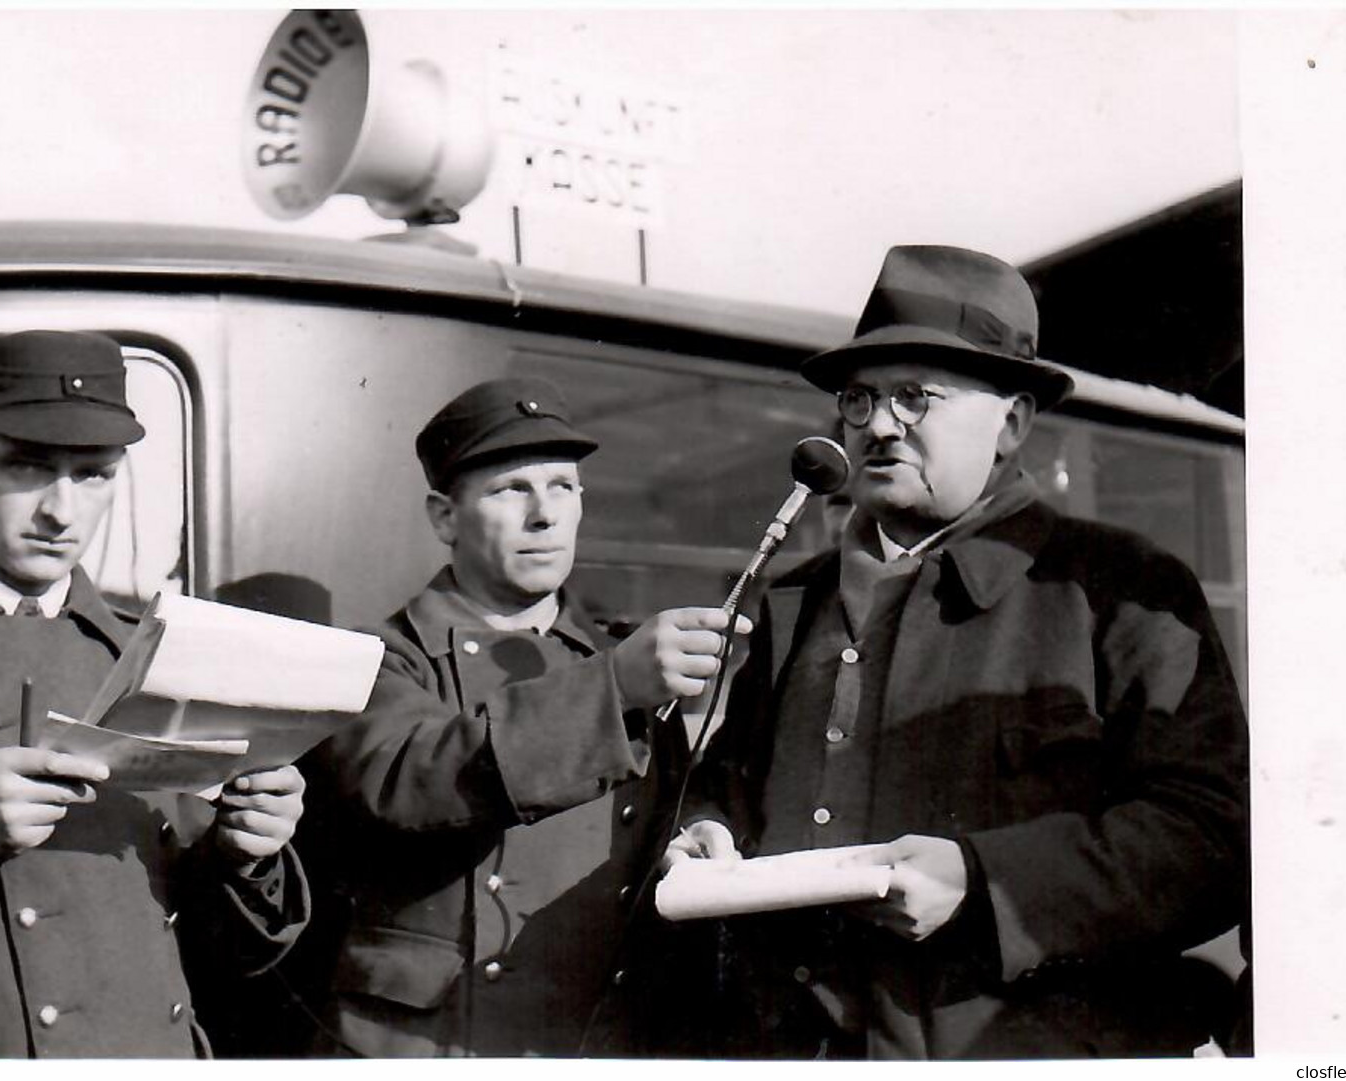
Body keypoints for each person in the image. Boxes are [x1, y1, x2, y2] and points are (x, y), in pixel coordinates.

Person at [668, 246, 1249, 1058]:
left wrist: (982, 880)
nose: (876, 424)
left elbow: (1209, 840)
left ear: (1010, 423)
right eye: (859, 398)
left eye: (914, 397)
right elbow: (724, 784)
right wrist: (705, 829)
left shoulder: (1117, 587)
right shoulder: (792, 598)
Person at [0, 330, 311, 1058]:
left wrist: (247, 851)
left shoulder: (151, 655)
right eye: (27, 465)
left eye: (93, 474)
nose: (61, 510)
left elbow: (208, 950)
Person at [287, 376, 746, 1057]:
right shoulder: (376, 659)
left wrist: (688, 836)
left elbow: (658, 814)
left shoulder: (615, 659)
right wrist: (613, 686)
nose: (545, 515)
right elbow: (413, 775)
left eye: (562, 487)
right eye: (511, 490)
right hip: (437, 1042)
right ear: (444, 517)